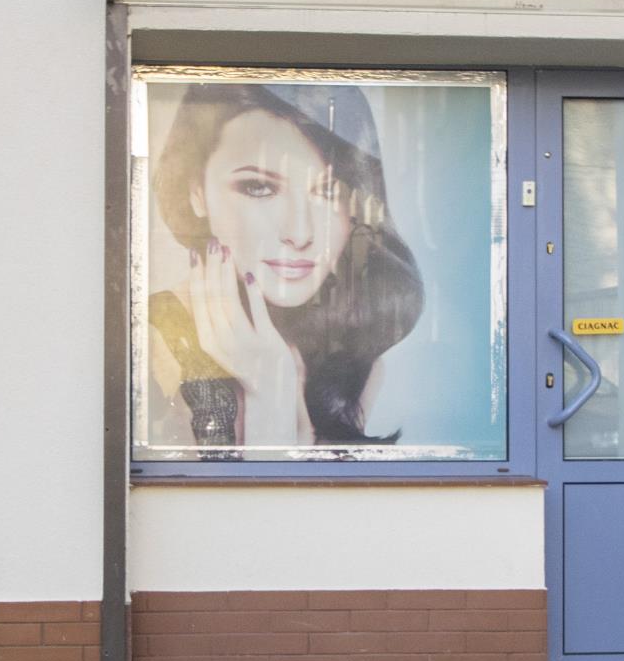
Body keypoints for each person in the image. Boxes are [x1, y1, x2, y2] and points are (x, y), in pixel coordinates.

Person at [146, 81, 425, 448]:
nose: (299, 233)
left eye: (329, 191)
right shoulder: (148, 343)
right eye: (259, 187)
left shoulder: (353, 366)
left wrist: (271, 392)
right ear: (197, 192)